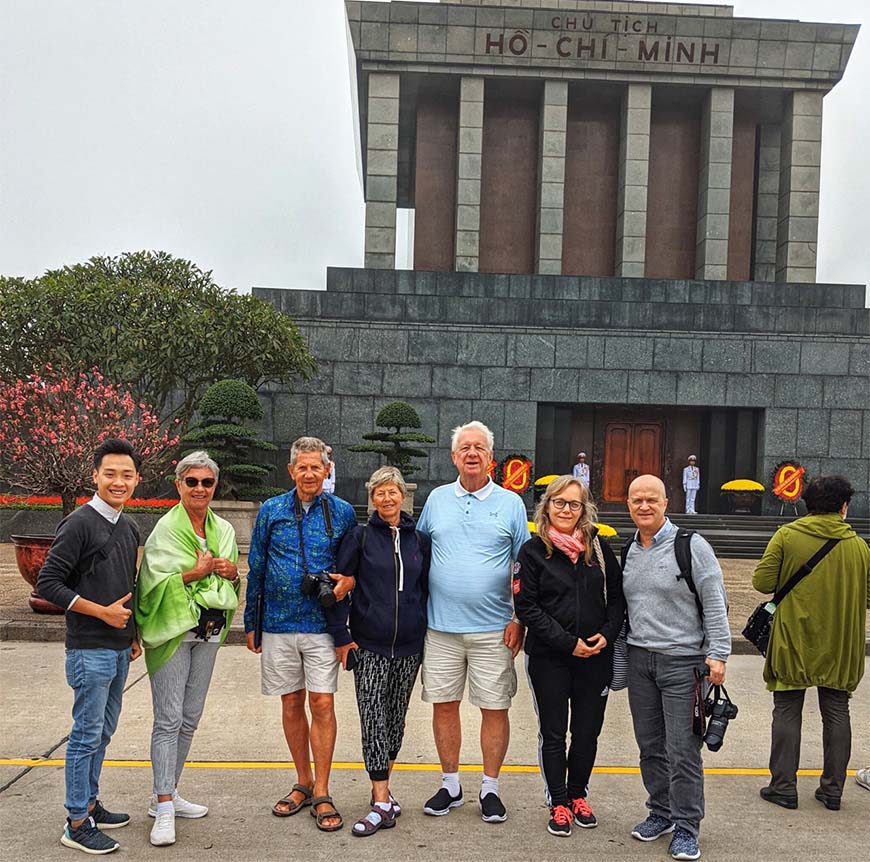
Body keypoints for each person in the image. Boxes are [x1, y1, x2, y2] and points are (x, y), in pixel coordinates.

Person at [416, 420, 530, 823]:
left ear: (491, 458)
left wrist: (520, 618)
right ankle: (450, 784)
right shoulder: (436, 500)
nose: (471, 454)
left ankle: (490, 787)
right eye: (464, 447)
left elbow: (524, 567)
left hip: (494, 628)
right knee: (444, 705)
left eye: (479, 448)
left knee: (494, 707)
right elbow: (419, 554)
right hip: (441, 628)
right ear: (453, 456)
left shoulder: (511, 504)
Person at [244, 436, 356, 832]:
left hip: (323, 627)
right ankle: (303, 782)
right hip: (277, 623)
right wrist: (251, 621)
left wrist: (347, 587)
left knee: (322, 704)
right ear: (290, 471)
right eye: (301, 467)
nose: (309, 474)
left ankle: (323, 789)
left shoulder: (341, 512)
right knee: (291, 702)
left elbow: (353, 566)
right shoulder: (272, 509)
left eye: (316, 467)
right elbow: (256, 567)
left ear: (327, 471)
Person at [37, 439, 143, 856]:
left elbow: (125, 587)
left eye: (127, 474)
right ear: (95, 476)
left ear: (137, 479)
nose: (119, 481)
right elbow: (48, 584)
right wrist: (100, 613)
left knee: (103, 732)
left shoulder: (128, 525)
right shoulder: (79, 523)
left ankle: (92, 804)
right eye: (110, 473)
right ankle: (77, 822)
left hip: (118, 646)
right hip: (89, 648)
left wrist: (131, 634)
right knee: (85, 735)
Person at [134, 451, 241, 846]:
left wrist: (230, 574)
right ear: (178, 484)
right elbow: (150, 586)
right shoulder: (165, 531)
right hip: (173, 632)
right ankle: (163, 806)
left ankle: (168, 791)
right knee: (168, 718)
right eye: (191, 481)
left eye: (206, 482)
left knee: (190, 716)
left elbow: (227, 586)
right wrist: (197, 574)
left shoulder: (224, 530)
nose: (199, 488)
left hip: (208, 632)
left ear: (215, 486)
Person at [622, 474, 730, 862]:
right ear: (628, 504)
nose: (644, 506)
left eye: (652, 499)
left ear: (667, 502)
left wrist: (718, 652)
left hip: (684, 662)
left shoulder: (690, 545)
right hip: (640, 661)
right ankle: (661, 812)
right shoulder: (629, 550)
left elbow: (715, 600)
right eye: (637, 500)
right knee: (650, 745)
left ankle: (687, 827)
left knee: (683, 749)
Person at [513, 475, 625, 837]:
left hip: (596, 656)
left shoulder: (599, 548)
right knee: (554, 733)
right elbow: (527, 607)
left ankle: (578, 795)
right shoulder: (532, 552)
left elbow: (618, 600)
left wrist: (605, 637)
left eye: (573, 504)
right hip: (550, 657)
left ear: (584, 509)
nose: (565, 510)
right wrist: (567, 642)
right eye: (558, 502)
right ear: (547, 506)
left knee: (588, 732)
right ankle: (558, 801)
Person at [752, 475, 869, 812]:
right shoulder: (859, 547)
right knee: (837, 711)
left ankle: (783, 787)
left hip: (793, 637)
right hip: (840, 642)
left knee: (787, 708)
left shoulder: (787, 536)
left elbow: (762, 581)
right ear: (844, 507)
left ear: (807, 503)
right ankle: (833, 790)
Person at [325, 466, 430, 836]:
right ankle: (382, 800)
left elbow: (425, 589)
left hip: (409, 647)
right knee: (372, 718)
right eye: (379, 493)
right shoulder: (361, 536)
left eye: (392, 492)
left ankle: (382, 789)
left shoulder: (420, 541)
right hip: (368, 644)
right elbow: (339, 587)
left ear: (403, 496)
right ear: (372, 499)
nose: (386, 499)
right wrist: (342, 635)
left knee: (395, 722)